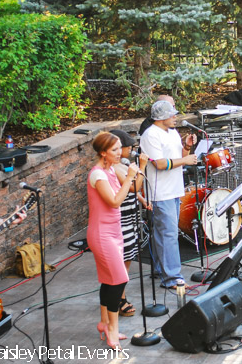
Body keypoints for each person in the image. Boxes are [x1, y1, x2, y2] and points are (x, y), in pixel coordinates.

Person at [87, 132, 139, 350]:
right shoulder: (98, 175)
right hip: (101, 234)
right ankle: (112, 331)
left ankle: (104, 323)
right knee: (118, 279)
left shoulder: (109, 170)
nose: (120, 152)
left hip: (114, 232)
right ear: (103, 153)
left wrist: (129, 177)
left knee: (109, 279)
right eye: (115, 149)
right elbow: (115, 202)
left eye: (120, 148)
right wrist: (128, 177)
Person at [140, 100, 198, 289]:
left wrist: (187, 147)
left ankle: (160, 269)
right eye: (172, 115)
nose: (175, 118)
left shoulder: (172, 132)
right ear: (162, 117)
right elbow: (160, 164)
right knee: (169, 235)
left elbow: (177, 155)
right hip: (160, 192)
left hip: (174, 189)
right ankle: (172, 278)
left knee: (163, 234)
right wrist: (186, 160)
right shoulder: (150, 135)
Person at [109, 129, 149, 317]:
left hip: (130, 216)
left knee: (128, 258)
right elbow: (133, 186)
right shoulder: (114, 168)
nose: (131, 150)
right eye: (128, 148)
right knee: (121, 260)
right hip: (121, 218)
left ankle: (119, 295)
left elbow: (132, 189)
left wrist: (142, 201)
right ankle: (119, 298)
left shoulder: (123, 164)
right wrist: (141, 166)